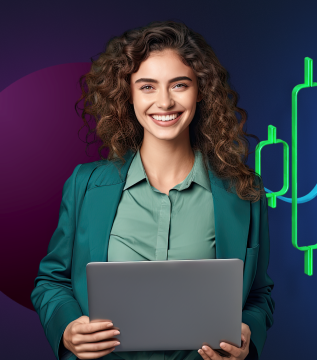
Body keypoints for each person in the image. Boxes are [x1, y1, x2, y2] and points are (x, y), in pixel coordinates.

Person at [31, 20, 274, 360]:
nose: (164, 102)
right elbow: (52, 281)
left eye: (179, 85)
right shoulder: (85, 185)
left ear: (200, 91)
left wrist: (248, 331)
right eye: (147, 86)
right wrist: (67, 328)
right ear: (128, 94)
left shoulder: (243, 192)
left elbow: (259, 295)